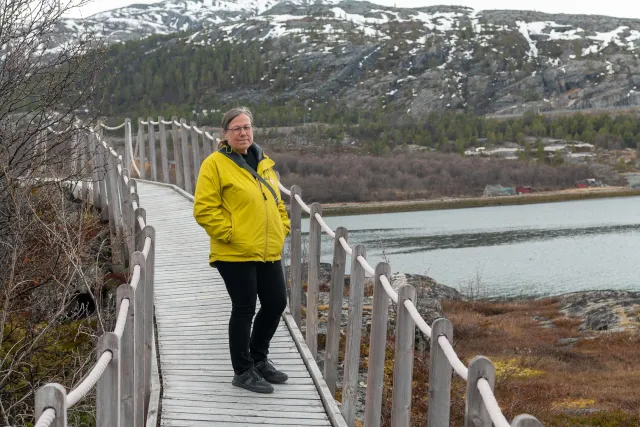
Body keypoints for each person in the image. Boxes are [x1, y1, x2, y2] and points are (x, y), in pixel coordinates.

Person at [193, 107, 291, 394]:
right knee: (245, 307)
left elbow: (277, 203)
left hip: (267, 249)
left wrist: (282, 227)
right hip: (234, 252)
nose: (243, 132)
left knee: (275, 303)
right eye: (236, 128)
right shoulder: (214, 164)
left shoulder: (264, 163)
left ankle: (259, 359)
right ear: (225, 133)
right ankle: (243, 370)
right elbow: (204, 209)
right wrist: (231, 234)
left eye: (246, 127)